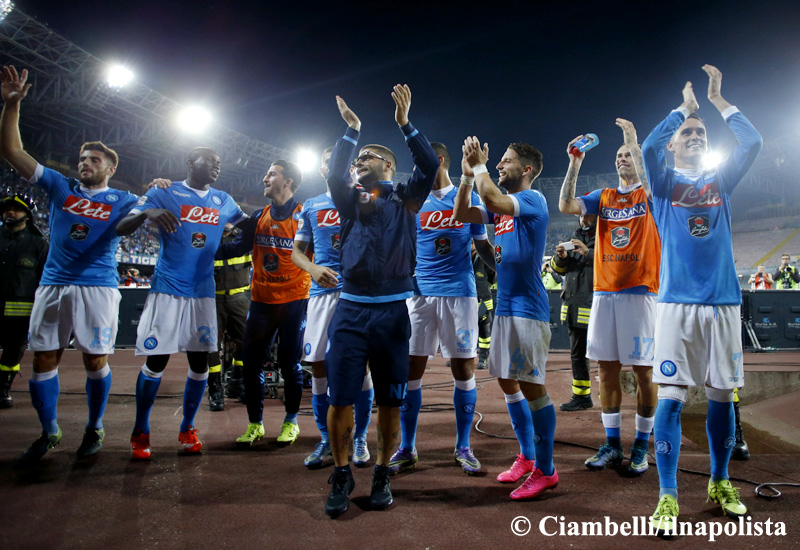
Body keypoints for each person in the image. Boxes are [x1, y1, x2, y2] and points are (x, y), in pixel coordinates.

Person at [641, 65, 762, 532]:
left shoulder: (721, 182)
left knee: (720, 398)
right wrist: (682, 111)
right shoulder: (663, 184)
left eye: (700, 132)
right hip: (676, 307)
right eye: (687, 133)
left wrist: (717, 101)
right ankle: (668, 496)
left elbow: (751, 143)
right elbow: (650, 146)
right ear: (675, 142)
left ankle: (719, 480)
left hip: (724, 305)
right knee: (670, 400)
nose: (694, 135)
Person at [0, 65, 140, 462]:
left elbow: (133, 224)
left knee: (96, 359)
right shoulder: (59, 186)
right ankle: (49, 432)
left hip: (97, 286)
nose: (85, 162)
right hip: (52, 284)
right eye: (82, 157)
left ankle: (94, 427)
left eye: (94, 159)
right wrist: (11, 106)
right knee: (43, 360)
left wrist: (156, 195)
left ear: (110, 169)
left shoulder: (125, 199)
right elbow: (11, 151)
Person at [323, 85, 439, 518]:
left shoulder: (407, 198)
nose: (358, 163)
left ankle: (383, 471)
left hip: (392, 314)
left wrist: (406, 125)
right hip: (350, 311)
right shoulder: (351, 200)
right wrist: (351, 133)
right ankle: (340, 472)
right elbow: (335, 175)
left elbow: (429, 163)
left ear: (388, 165)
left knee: (391, 402)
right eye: (358, 159)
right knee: (340, 399)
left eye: (367, 156)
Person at [116, 147, 246, 459]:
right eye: (209, 160)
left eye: (219, 162)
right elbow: (121, 227)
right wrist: (148, 212)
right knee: (156, 361)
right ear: (190, 163)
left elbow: (249, 227)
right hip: (168, 288)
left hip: (203, 292)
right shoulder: (164, 191)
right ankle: (140, 430)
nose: (216, 165)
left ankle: (187, 427)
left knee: (201, 363)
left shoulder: (224, 201)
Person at [454, 137, 556, 501]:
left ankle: (547, 471)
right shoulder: (502, 209)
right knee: (508, 383)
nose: (499, 165)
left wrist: (480, 166)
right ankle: (527, 457)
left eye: (506, 161)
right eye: (498, 161)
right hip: (506, 308)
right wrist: (467, 177)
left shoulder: (532, 199)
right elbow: (462, 215)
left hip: (528, 310)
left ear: (526, 170)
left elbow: (495, 198)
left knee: (532, 388)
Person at [559, 119, 661, 477]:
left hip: (640, 293)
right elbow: (566, 204)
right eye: (618, 155)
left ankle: (641, 447)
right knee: (606, 371)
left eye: (628, 155)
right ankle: (613, 444)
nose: (622, 159)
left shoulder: (650, 194)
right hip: (605, 293)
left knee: (645, 373)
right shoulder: (603, 197)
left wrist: (634, 141)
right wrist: (574, 161)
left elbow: (650, 181)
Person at [388, 142, 495, 476]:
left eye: (425, 163)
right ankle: (407, 446)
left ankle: (463, 445)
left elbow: (482, 245)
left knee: (463, 368)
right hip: (418, 295)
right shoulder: (411, 202)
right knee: (410, 371)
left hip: (459, 294)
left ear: (441, 161)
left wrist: (503, 274)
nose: (419, 170)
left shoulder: (467, 198)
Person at [215, 161, 310, 448]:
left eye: (272, 174)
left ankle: (291, 422)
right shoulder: (259, 216)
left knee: (289, 365)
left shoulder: (305, 215)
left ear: (288, 181)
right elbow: (235, 248)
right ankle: (255, 424)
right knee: (252, 363)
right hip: (261, 302)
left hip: (294, 301)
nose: (264, 178)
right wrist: (198, 247)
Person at [292, 147, 374, 469]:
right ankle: (326, 439)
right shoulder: (312, 205)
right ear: (324, 167)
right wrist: (312, 269)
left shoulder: (364, 199)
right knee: (320, 368)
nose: (335, 165)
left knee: (362, 368)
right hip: (322, 296)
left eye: (343, 159)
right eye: (329, 160)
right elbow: (297, 252)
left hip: (357, 295)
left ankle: (360, 437)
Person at [0, 193, 48, 408]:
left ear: (28, 216)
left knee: (13, 352)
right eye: (7, 208)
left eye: (16, 209)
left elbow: (44, 279)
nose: (10, 212)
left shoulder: (39, 245)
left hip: (20, 312)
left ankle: (2, 389)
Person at [550, 213, 596, 412]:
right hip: (573, 305)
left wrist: (588, 252)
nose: (582, 218)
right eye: (580, 215)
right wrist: (560, 257)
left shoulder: (606, 236)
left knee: (607, 357)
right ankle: (581, 396)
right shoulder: (574, 237)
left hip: (596, 305)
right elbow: (557, 269)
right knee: (577, 354)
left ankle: (611, 404)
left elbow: (612, 261)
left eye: (586, 215)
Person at [206, 222, 251, 411]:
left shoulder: (242, 239)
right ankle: (215, 389)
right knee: (211, 347)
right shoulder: (207, 238)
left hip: (240, 298)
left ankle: (237, 382)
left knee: (247, 343)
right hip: (212, 299)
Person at [472, 241, 496, 370]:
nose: (470, 245)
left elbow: (493, 276)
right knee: (464, 330)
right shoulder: (462, 258)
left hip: (483, 301)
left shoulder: (483, 258)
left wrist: (484, 289)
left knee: (484, 332)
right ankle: (462, 356)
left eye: (472, 243)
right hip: (467, 301)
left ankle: (483, 358)